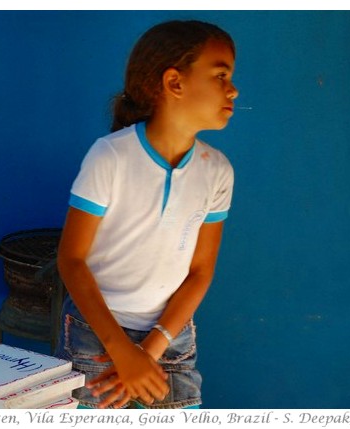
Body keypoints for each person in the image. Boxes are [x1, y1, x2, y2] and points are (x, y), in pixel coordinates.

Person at [54, 19, 239, 409]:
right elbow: (71, 260)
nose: (233, 89)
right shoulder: (111, 157)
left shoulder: (217, 171)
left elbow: (200, 271)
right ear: (175, 83)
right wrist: (121, 350)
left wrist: (149, 351)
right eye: (220, 75)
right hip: (96, 335)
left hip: (171, 339)